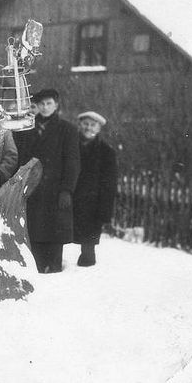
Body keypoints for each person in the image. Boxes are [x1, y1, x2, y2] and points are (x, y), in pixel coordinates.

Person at [18, 88, 80, 273]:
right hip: (34, 188)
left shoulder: (67, 129)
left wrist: (67, 190)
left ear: (56, 105)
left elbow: (73, 162)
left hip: (55, 190)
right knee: (34, 231)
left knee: (54, 232)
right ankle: (36, 268)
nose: (45, 108)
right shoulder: (28, 128)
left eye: (49, 104)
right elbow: (22, 157)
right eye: (42, 104)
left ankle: (54, 268)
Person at [73, 111, 118, 267]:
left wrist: (105, 210)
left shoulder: (106, 152)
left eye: (93, 125)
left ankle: (87, 271)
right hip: (70, 199)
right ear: (79, 125)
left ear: (99, 128)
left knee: (88, 245)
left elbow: (109, 184)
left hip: (92, 204)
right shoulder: (70, 145)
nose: (88, 128)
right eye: (85, 124)